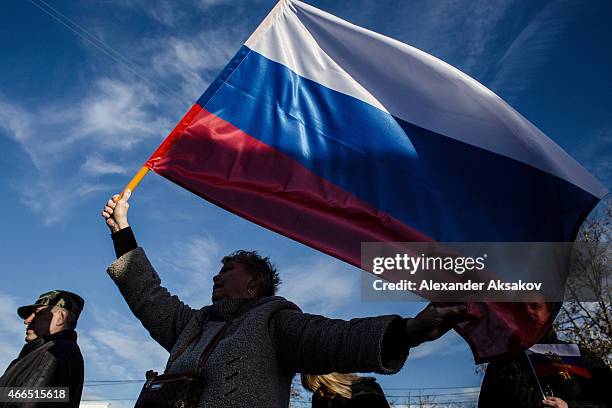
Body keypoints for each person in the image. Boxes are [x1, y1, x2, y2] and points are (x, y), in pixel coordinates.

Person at [101, 190, 467, 408]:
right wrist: (122, 229)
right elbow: (148, 294)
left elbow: (336, 338)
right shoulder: (191, 325)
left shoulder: (273, 321)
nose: (217, 274)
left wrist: (410, 330)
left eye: (228, 268)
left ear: (254, 282)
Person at [478, 301, 611, 408]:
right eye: (522, 308)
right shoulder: (501, 365)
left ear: (550, 312)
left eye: (535, 306)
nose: (528, 311)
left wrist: (568, 406)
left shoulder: (576, 355)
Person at [0, 290, 85, 408]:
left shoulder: (55, 352)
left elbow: (27, 402)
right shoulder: (43, 352)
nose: (27, 320)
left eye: (38, 314)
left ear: (60, 318)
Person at [301, 372, 390, 408]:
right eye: (313, 390)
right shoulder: (319, 400)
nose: (319, 394)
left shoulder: (369, 390)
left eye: (321, 387)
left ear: (333, 379)